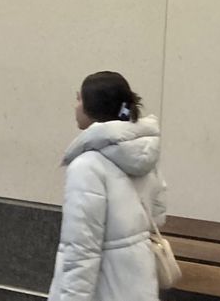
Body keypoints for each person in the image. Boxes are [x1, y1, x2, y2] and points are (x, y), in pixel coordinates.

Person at [47, 71, 167, 301]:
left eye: (79, 99)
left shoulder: (86, 166)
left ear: (93, 106)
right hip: (138, 287)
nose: (75, 106)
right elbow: (159, 214)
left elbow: (81, 250)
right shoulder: (143, 156)